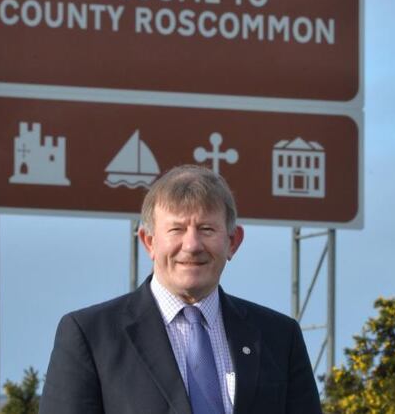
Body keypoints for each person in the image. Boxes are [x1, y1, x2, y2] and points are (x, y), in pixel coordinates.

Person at [40, 165, 322, 414]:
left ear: (233, 242)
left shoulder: (279, 338)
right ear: (149, 242)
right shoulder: (90, 336)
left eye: (207, 229)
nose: (192, 245)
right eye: (176, 229)